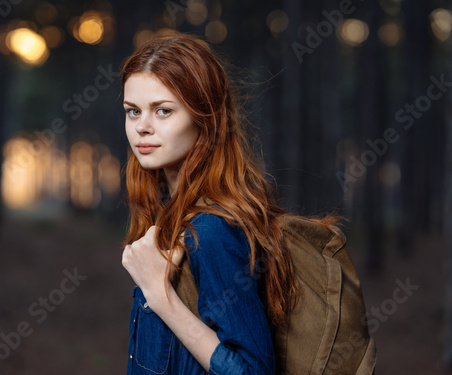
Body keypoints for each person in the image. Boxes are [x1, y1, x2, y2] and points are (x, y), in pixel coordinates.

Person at [120, 33, 337, 374]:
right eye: (133, 112)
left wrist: (159, 296)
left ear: (203, 118)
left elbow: (251, 370)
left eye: (163, 111)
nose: (142, 128)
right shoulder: (168, 211)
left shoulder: (212, 229)